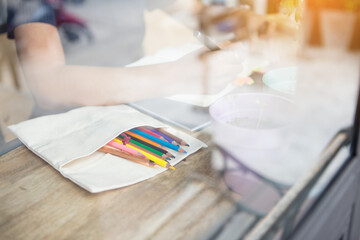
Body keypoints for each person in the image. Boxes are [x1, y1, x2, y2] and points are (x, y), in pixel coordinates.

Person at [1, 0, 242, 110]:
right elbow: (49, 86)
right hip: (70, 120)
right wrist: (179, 76)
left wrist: (247, 23)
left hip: (138, 102)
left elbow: (197, 15)